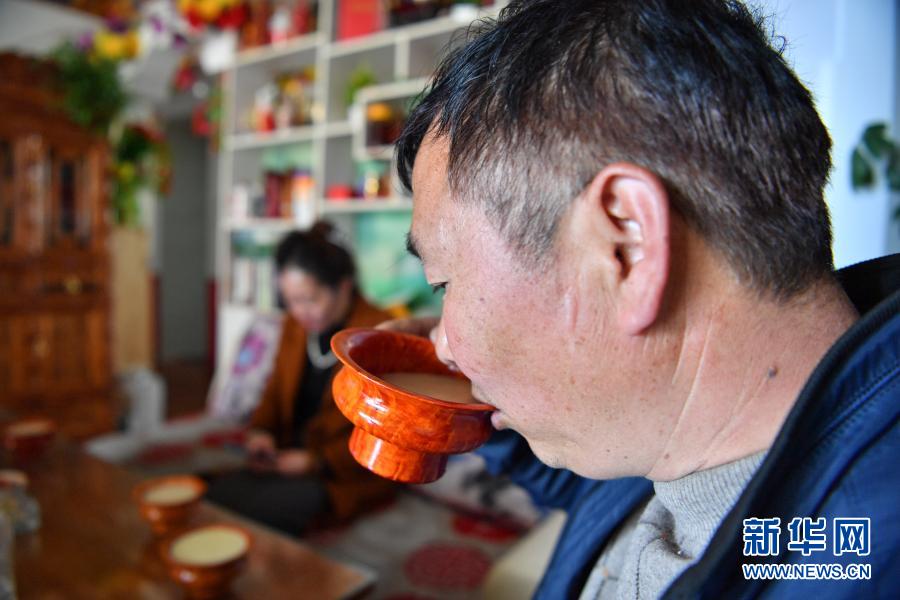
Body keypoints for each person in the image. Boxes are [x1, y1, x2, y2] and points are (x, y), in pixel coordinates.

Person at [383, 0, 899, 597]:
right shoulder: (672, 428)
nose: (444, 345)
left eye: (445, 282)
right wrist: (474, 398)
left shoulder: (849, 565)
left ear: (627, 246)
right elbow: (600, 489)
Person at [208, 222, 394, 535]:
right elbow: (274, 390)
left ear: (344, 287)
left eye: (309, 299)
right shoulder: (295, 326)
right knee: (215, 497)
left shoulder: (378, 334)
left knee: (254, 518)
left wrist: (316, 461)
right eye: (290, 300)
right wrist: (261, 433)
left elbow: (385, 432)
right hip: (287, 457)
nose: (298, 311)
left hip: (341, 474)